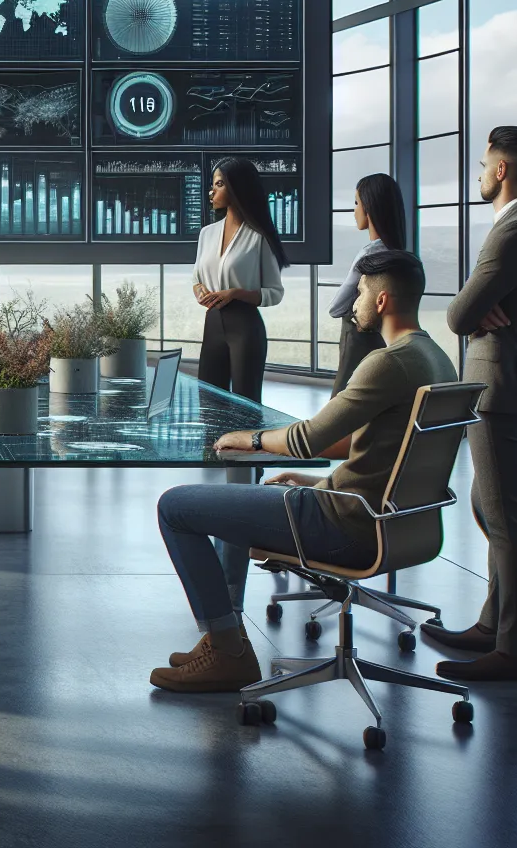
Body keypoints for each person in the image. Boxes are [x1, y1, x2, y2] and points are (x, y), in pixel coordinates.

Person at [149, 250, 458, 693]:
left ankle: (227, 652)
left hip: (344, 527)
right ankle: (221, 639)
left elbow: (307, 440)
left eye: (362, 293)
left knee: (176, 506)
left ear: (384, 300)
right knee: (230, 507)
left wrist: (250, 438)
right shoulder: (437, 360)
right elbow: (388, 466)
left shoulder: (388, 363)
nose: (353, 302)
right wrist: (317, 481)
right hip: (389, 521)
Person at [421, 125, 517, 683]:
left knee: (507, 520)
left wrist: (474, 309)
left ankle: (515, 651)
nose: (479, 174)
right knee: (488, 505)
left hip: (499, 386)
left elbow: (456, 316)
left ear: (501, 169)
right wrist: (481, 306)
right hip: (501, 382)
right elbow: (475, 308)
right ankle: (491, 624)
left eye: (483, 165)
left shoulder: (513, 232)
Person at [191, 157, 288, 404]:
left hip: (245, 327)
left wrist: (235, 293)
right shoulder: (207, 234)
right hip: (212, 324)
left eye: (220, 184)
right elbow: (196, 277)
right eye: (213, 184)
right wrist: (200, 290)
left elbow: (274, 292)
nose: (212, 191)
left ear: (237, 187)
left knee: (246, 405)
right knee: (209, 402)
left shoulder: (258, 237)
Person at [330, 173, 408, 394]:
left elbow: (336, 308)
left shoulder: (369, 254)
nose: (354, 211)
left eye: (356, 202)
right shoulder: (399, 252)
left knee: (341, 405)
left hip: (358, 340)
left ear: (369, 206)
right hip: (386, 342)